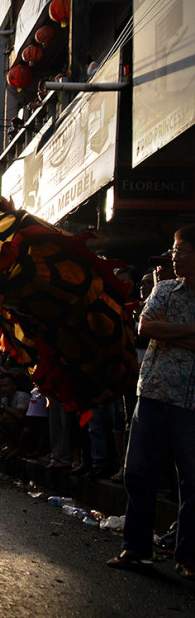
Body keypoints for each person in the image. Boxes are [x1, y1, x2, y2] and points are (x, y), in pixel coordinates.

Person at [108, 225, 195, 580]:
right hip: (152, 393)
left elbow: (159, 330)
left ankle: (187, 554)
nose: (174, 255)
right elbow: (146, 328)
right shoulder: (164, 289)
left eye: (181, 249)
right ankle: (136, 547)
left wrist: (169, 330)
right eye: (174, 249)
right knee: (137, 473)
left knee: (191, 481)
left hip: (190, 403)